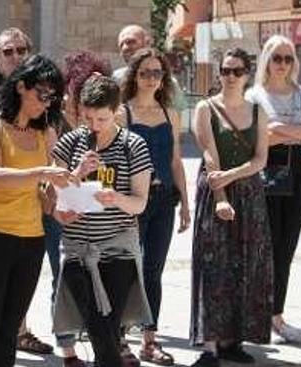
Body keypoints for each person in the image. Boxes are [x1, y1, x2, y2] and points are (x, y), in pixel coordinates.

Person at [0, 54, 75, 367]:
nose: (46, 103)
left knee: (8, 332)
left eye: (53, 97)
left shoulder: (45, 133)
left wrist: (62, 210)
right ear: (21, 86)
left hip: (31, 241)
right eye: (42, 94)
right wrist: (44, 173)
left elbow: (45, 196)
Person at [51, 75, 154, 367]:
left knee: (108, 329)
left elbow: (140, 202)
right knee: (98, 328)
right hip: (77, 250)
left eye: (102, 118)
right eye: (88, 118)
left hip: (117, 250)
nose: (94, 126)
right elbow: (50, 195)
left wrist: (117, 199)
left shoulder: (133, 145)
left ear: (117, 110)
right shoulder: (70, 142)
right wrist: (78, 172)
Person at [190, 48, 272, 367]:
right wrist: (221, 191)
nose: (231, 76)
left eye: (237, 71)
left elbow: (261, 159)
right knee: (213, 266)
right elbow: (209, 153)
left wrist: (233, 175)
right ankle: (209, 344)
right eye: (225, 70)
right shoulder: (205, 107)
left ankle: (231, 340)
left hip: (249, 193)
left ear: (248, 74)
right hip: (214, 191)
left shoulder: (257, 111)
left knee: (245, 264)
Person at [118, 49, 190, 365]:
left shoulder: (170, 114)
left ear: (164, 79)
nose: (151, 79)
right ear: (134, 75)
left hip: (163, 201)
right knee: (125, 269)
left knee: (153, 271)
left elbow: (175, 161)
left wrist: (186, 203)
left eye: (157, 73)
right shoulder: (122, 114)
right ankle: (119, 340)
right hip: (131, 202)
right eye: (145, 72)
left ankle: (150, 340)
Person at [246, 35, 301, 344]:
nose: (283, 65)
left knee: (286, 247)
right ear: (267, 60)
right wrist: (290, 132)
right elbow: (256, 139)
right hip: (267, 170)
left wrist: (278, 130)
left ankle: (277, 316)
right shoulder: (254, 95)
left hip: (298, 171)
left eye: (289, 59)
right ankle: (259, 316)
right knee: (266, 247)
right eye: (277, 58)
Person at [48, 51, 111, 366]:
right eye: (89, 85)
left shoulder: (104, 118)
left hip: (93, 209)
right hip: (59, 211)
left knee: (97, 276)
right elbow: (49, 175)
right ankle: (68, 349)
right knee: (62, 276)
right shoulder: (55, 120)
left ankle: (100, 340)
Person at [112, 25, 186, 112]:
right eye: (121, 45)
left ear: (147, 43)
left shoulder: (168, 82)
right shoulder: (115, 79)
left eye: (130, 42)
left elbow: (177, 116)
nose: (125, 48)